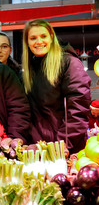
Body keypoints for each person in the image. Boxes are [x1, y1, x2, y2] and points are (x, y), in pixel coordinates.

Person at [22, 19, 91, 154]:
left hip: (66, 149)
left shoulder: (69, 63)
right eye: (33, 38)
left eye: (43, 36)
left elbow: (78, 109)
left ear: (52, 38)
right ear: (27, 42)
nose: (38, 42)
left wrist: (61, 145)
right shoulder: (27, 71)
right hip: (38, 149)